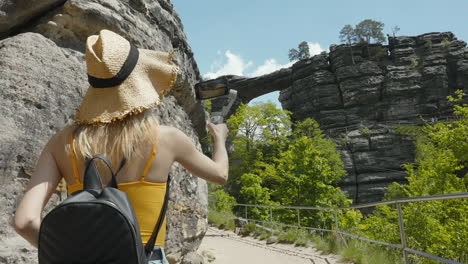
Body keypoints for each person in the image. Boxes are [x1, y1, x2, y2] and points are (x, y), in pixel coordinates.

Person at [12, 30, 229, 264]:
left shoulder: (62, 142)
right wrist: (219, 139)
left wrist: (69, 253)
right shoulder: (167, 139)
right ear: (141, 83)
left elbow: (24, 222)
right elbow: (220, 175)